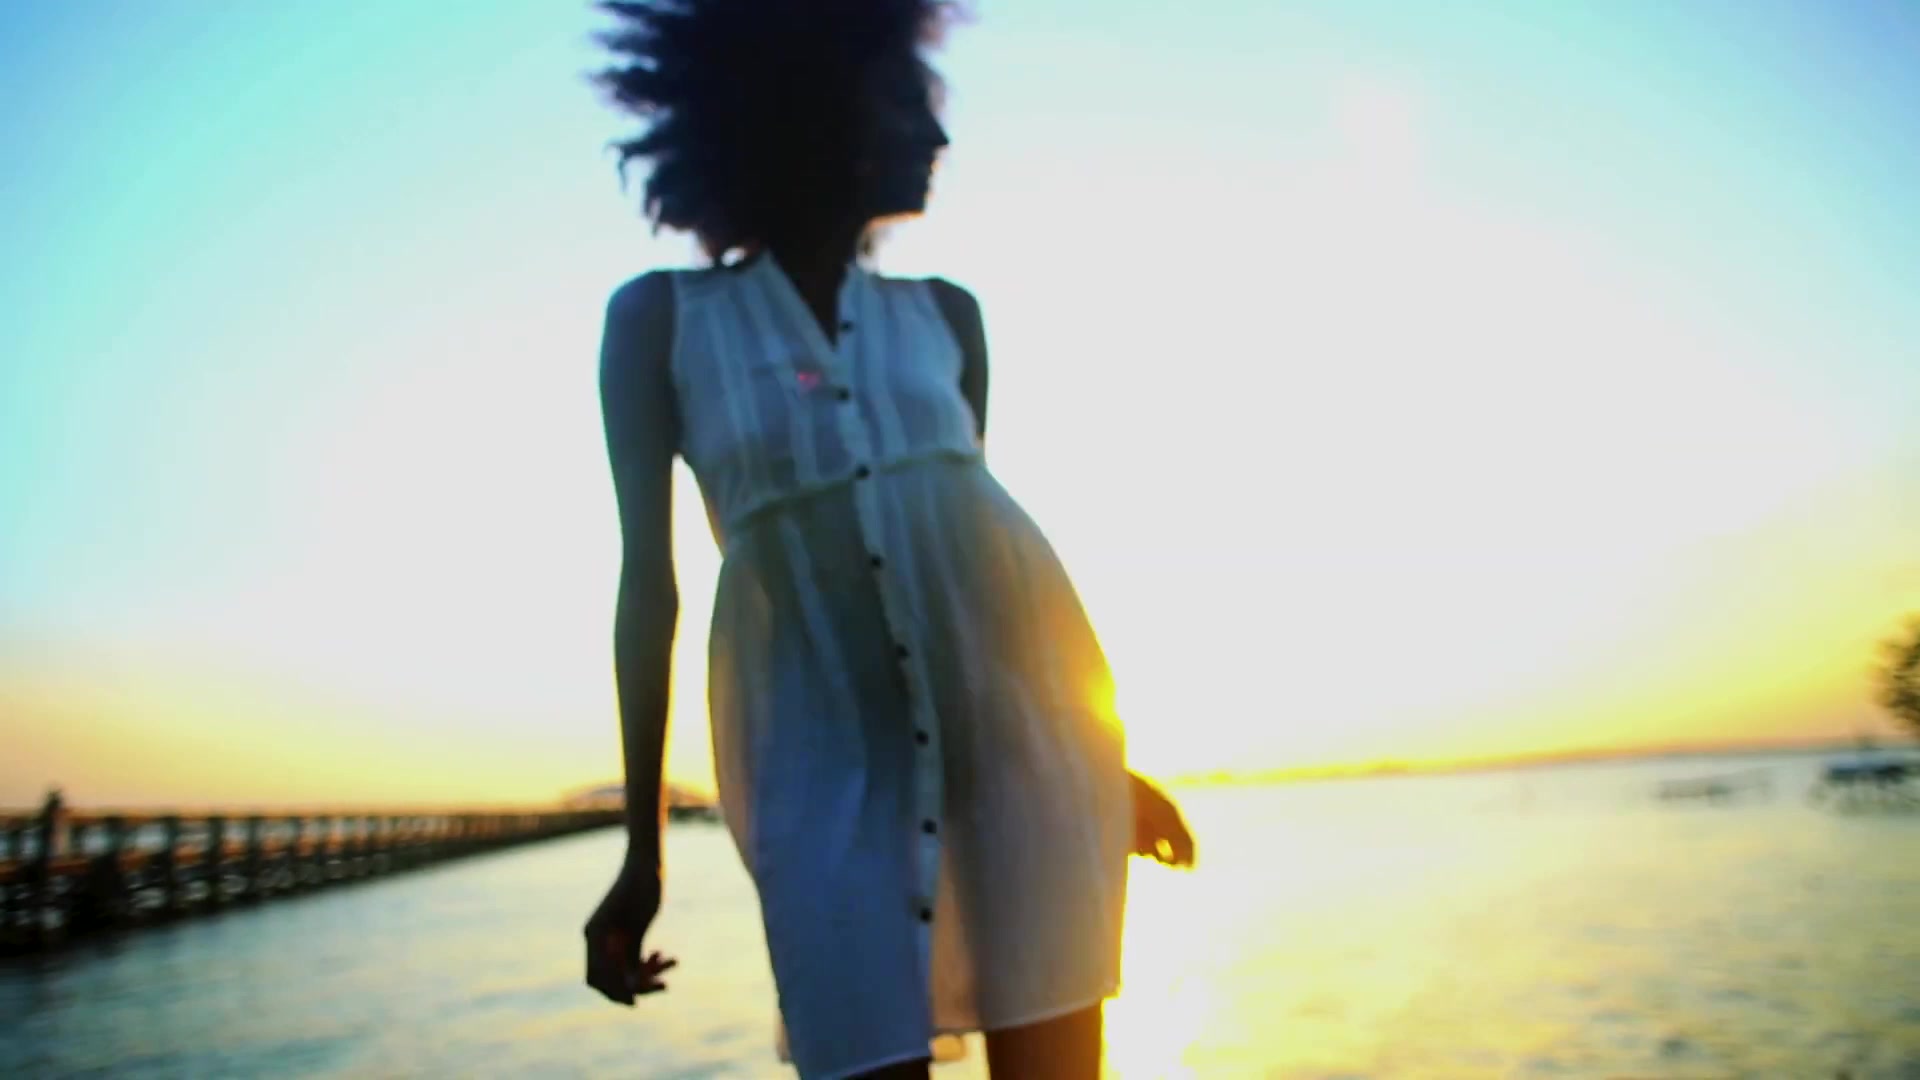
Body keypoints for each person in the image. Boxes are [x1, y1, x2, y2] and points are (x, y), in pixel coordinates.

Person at [580, 2, 1195, 1077]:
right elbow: (649, 590)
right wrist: (644, 853)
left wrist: (1108, 767)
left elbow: (983, 589)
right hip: (816, 775)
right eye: (907, 105)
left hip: (1026, 772)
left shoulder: (948, 318)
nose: (937, 136)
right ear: (815, 110)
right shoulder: (661, 322)